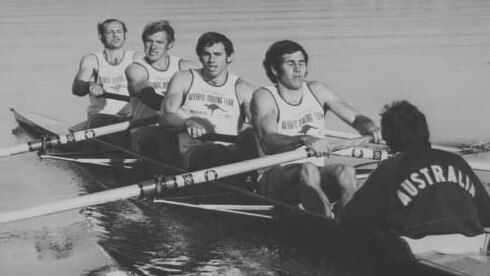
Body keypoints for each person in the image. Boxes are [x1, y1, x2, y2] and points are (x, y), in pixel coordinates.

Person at [251, 40, 381, 217]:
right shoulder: (264, 96)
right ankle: (326, 228)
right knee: (308, 168)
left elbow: (357, 118)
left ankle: (349, 224)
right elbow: (268, 141)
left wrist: (369, 127)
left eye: (301, 63)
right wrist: (302, 139)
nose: (298, 69)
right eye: (290, 63)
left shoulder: (318, 90)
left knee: (345, 171)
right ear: (274, 69)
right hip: (275, 178)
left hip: (313, 173)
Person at [341, 100, 490, 238]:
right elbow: (487, 216)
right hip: (472, 247)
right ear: (425, 130)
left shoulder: (390, 169)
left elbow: (353, 219)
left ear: (388, 138)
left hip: (417, 256)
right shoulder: (456, 161)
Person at [159, 32, 256, 170]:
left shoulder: (243, 88)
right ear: (200, 57)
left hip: (230, 150)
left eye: (217, 54)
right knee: (216, 152)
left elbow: (260, 127)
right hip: (193, 152)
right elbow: (164, 117)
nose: (211, 60)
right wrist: (186, 123)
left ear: (229, 58)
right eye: (206, 54)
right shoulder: (184, 79)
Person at [125, 20, 198, 162]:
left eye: (159, 42)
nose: (153, 47)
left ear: (170, 44)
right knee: (164, 136)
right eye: (148, 41)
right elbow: (150, 99)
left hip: (182, 126)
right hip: (145, 129)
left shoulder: (185, 66)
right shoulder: (136, 69)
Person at [72, 18, 143, 128]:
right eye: (110, 32)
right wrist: (89, 86)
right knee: (103, 120)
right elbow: (77, 88)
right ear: (101, 37)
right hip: (101, 119)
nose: (115, 35)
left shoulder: (137, 58)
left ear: (125, 35)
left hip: (131, 118)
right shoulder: (92, 60)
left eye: (119, 31)